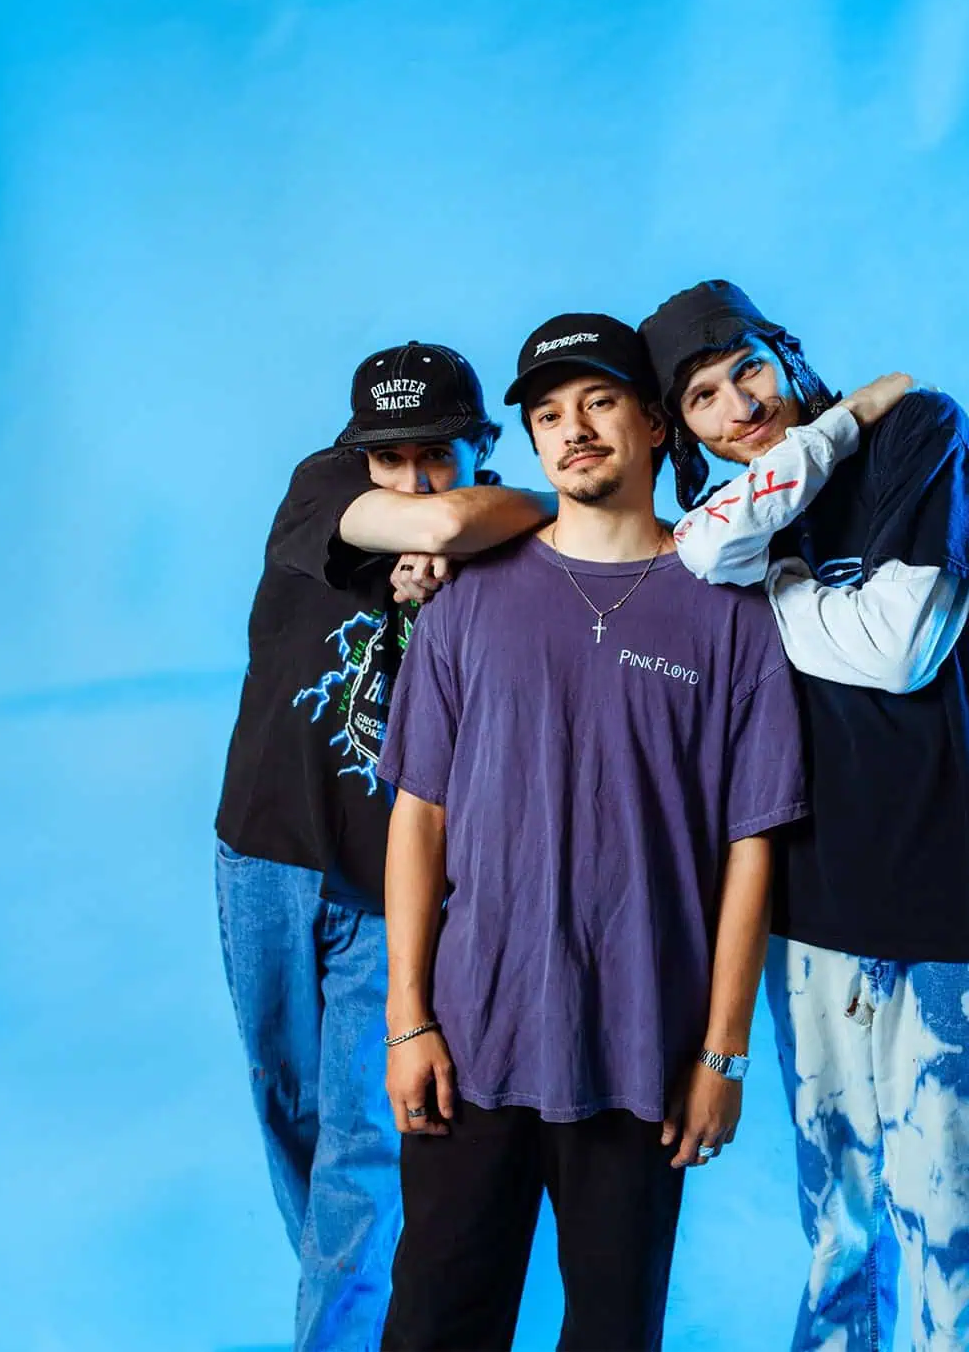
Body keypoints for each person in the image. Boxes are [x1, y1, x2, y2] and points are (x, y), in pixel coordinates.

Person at [374, 312, 809, 1351]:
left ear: (655, 424)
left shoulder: (731, 614)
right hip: (469, 1044)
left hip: (641, 1055)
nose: (572, 429)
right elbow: (418, 816)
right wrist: (406, 1018)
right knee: (432, 1327)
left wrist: (723, 1054)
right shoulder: (466, 604)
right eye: (547, 415)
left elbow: (751, 845)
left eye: (599, 402)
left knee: (615, 1333)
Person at [643, 280, 969, 1350]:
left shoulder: (919, 434)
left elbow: (898, 648)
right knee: (841, 1246)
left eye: (747, 369)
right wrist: (822, 439)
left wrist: (781, 590)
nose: (739, 405)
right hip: (814, 925)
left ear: (784, 353)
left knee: (958, 1255)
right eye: (701, 398)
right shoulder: (758, 505)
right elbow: (700, 550)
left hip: (956, 918)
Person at [209, 341, 552, 1352]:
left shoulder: (507, 555)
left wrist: (496, 532)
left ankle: (339, 1327)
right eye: (389, 457)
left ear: (481, 447)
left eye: (437, 455)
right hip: (264, 858)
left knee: (362, 1150)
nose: (410, 480)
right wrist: (505, 512)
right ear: (354, 454)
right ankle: (344, 1308)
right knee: (289, 1115)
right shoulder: (319, 491)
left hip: (388, 893)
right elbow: (431, 524)